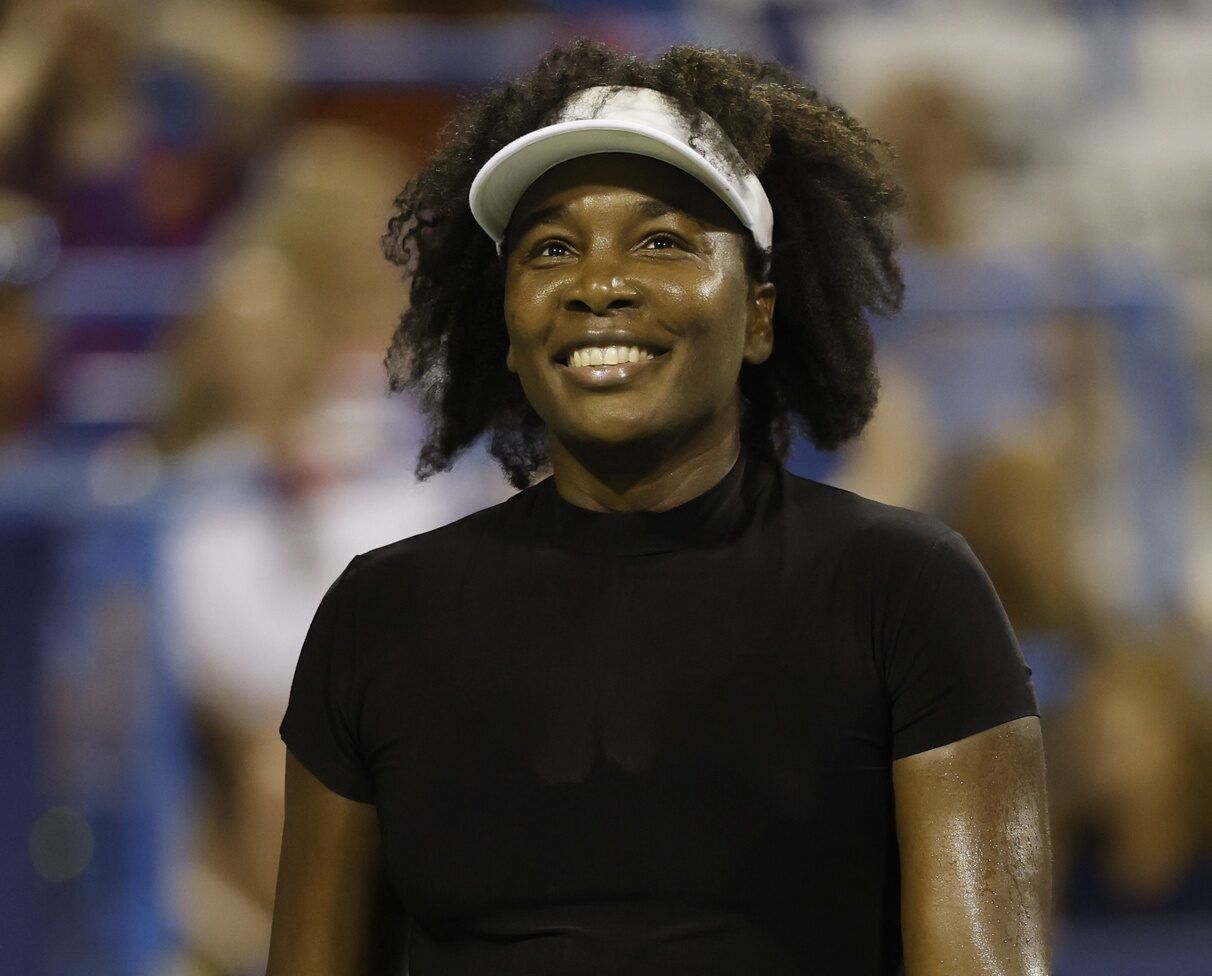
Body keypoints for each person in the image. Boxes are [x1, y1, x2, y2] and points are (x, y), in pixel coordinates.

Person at [267, 39, 1051, 976]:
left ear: (760, 316)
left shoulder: (907, 592)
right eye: (552, 248)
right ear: (508, 329)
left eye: (663, 242)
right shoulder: (377, 616)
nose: (600, 284)